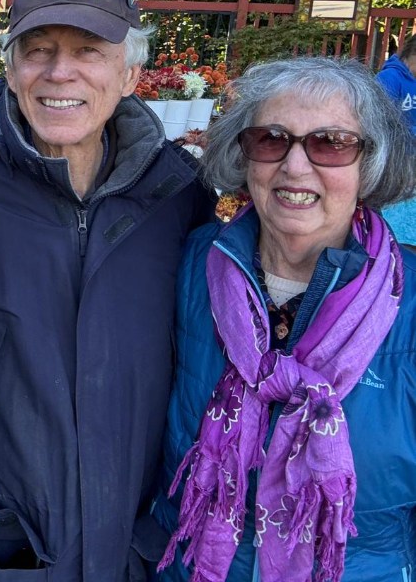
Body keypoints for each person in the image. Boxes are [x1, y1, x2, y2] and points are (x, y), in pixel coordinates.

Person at [0, 0, 217, 582]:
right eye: (37, 50)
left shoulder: (178, 198)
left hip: (131, 549)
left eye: (89, 50)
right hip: (3, 547)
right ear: (10, 71)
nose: (59, 72)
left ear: (131, 73)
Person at [154, 56, 416, 582]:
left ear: (371, 163)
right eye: (271, 139)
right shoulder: (192, 266)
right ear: (244, 157)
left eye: (331, 143)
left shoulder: (408, 300)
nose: (296, 167)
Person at [376, 34, 416, 247]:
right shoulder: (390, 78)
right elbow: (379, 121)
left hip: (412, 162)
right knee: (396, 215)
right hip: (396, 162)